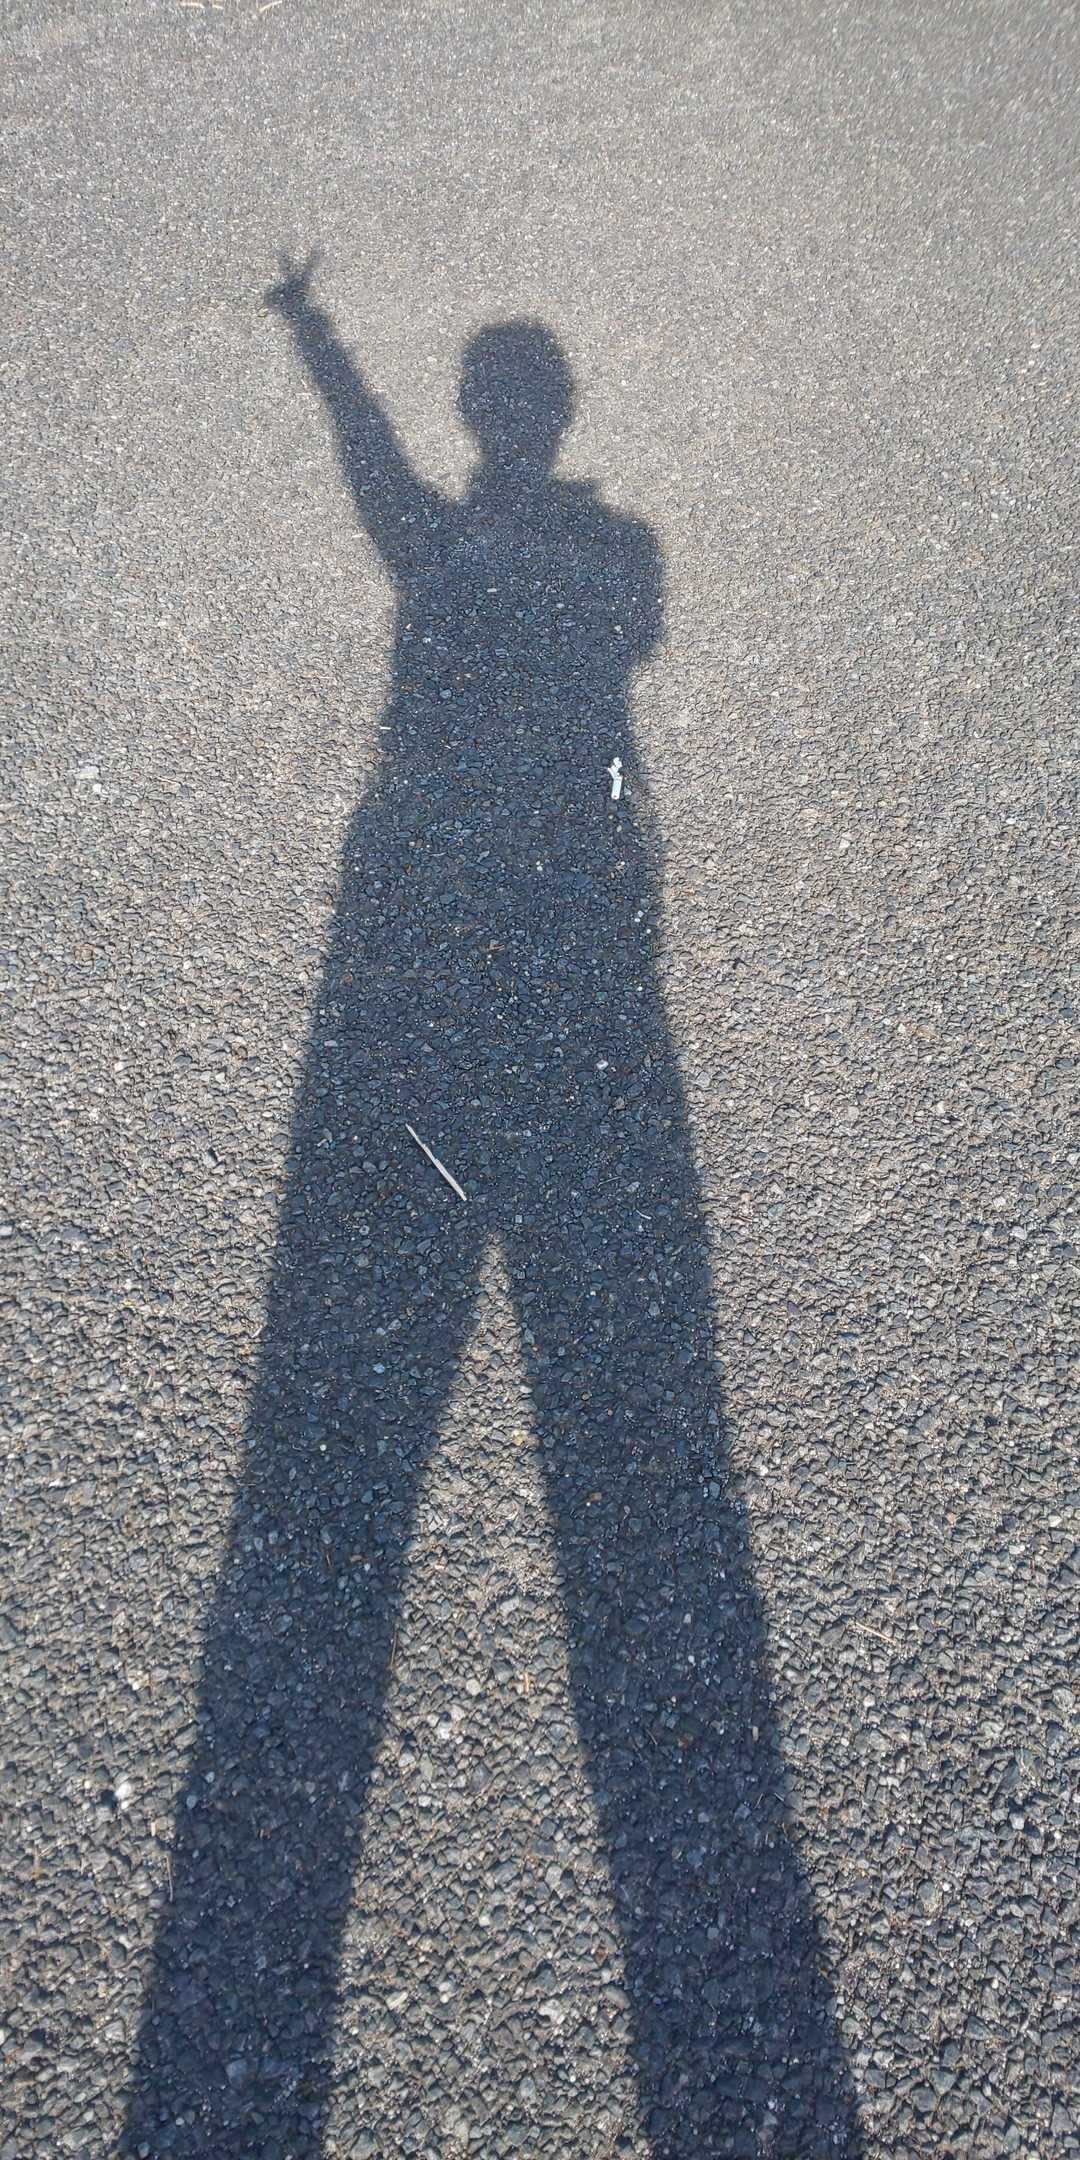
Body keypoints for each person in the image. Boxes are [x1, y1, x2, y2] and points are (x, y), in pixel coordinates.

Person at [124, 254, 859, 2158]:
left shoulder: (497, 549)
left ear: (488, 413)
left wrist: (321, 351)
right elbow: (574, 608)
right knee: (630, 1426)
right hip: (575, 974)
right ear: (550, 410)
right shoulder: (607, 552)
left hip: (428, 976)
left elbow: (398, 497)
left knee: (346, 1440)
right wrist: (325, 353)